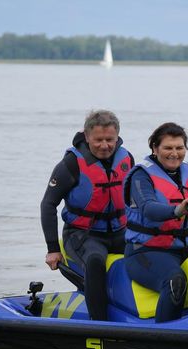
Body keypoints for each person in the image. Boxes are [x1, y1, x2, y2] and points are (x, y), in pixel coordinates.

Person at [122, 122, 188, 322]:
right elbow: (148, 209)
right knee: (174, 280)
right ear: (154, 148)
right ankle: (162, 341)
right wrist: (180, 209)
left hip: (185, 251)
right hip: (145, 253)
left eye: (179, 148)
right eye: (168, 148)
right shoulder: (141, 175)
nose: (175, 153)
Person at [40, 110, 134, 321]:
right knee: (94, 261)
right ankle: (98, 322)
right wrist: (53, 249)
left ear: (117, 137)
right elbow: (48, 205)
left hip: (120, 231)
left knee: (152, 252)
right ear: (87, 136)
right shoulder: (70, 165)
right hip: (82, 234)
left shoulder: (126, 158)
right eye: (98, 140)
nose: (104, 145)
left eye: (109, 140)